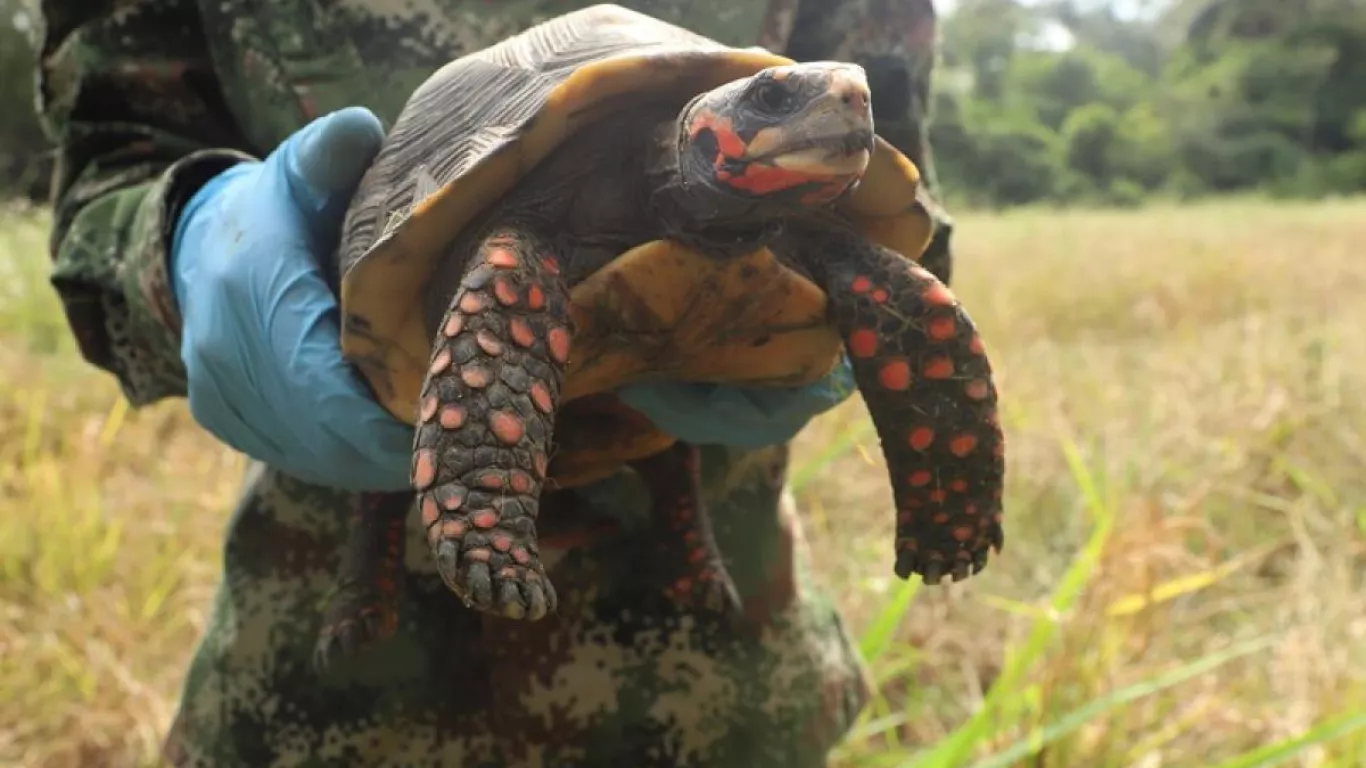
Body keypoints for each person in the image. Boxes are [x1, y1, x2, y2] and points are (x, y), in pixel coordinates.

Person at [34, 1, 953, 765]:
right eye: (782, 98)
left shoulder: (807, 161)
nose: (836, 102)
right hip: (321, 704)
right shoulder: (534, 233)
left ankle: (684, 529)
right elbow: (114, 162)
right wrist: (188, 245)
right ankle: (437, 546)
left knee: (881, 309)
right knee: (465, 346)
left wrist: (941, 462)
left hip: (723, 690)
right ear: (706, 129)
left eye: (842, 102)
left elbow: (914, 230)